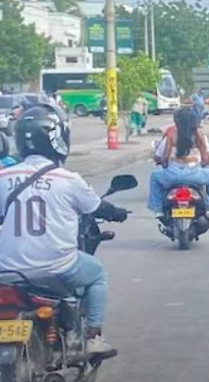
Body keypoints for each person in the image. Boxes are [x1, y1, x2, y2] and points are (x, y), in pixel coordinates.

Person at [0, 104, 128, 359]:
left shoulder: (3, 177)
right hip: (57, 268)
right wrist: (117, 213)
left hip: (7, 269)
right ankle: (93, 337)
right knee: (97, 275)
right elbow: (96, 207)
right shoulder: (68, 179)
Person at [149, 108, 209, 217]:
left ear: (176, 121)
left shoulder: (171, 134)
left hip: (172, 174)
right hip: (194, 174)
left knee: (154, 177)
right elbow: (205, 159)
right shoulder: (199, 135)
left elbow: (164, 158)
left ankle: (158, 209)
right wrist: (201, 164)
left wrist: (165, 165)